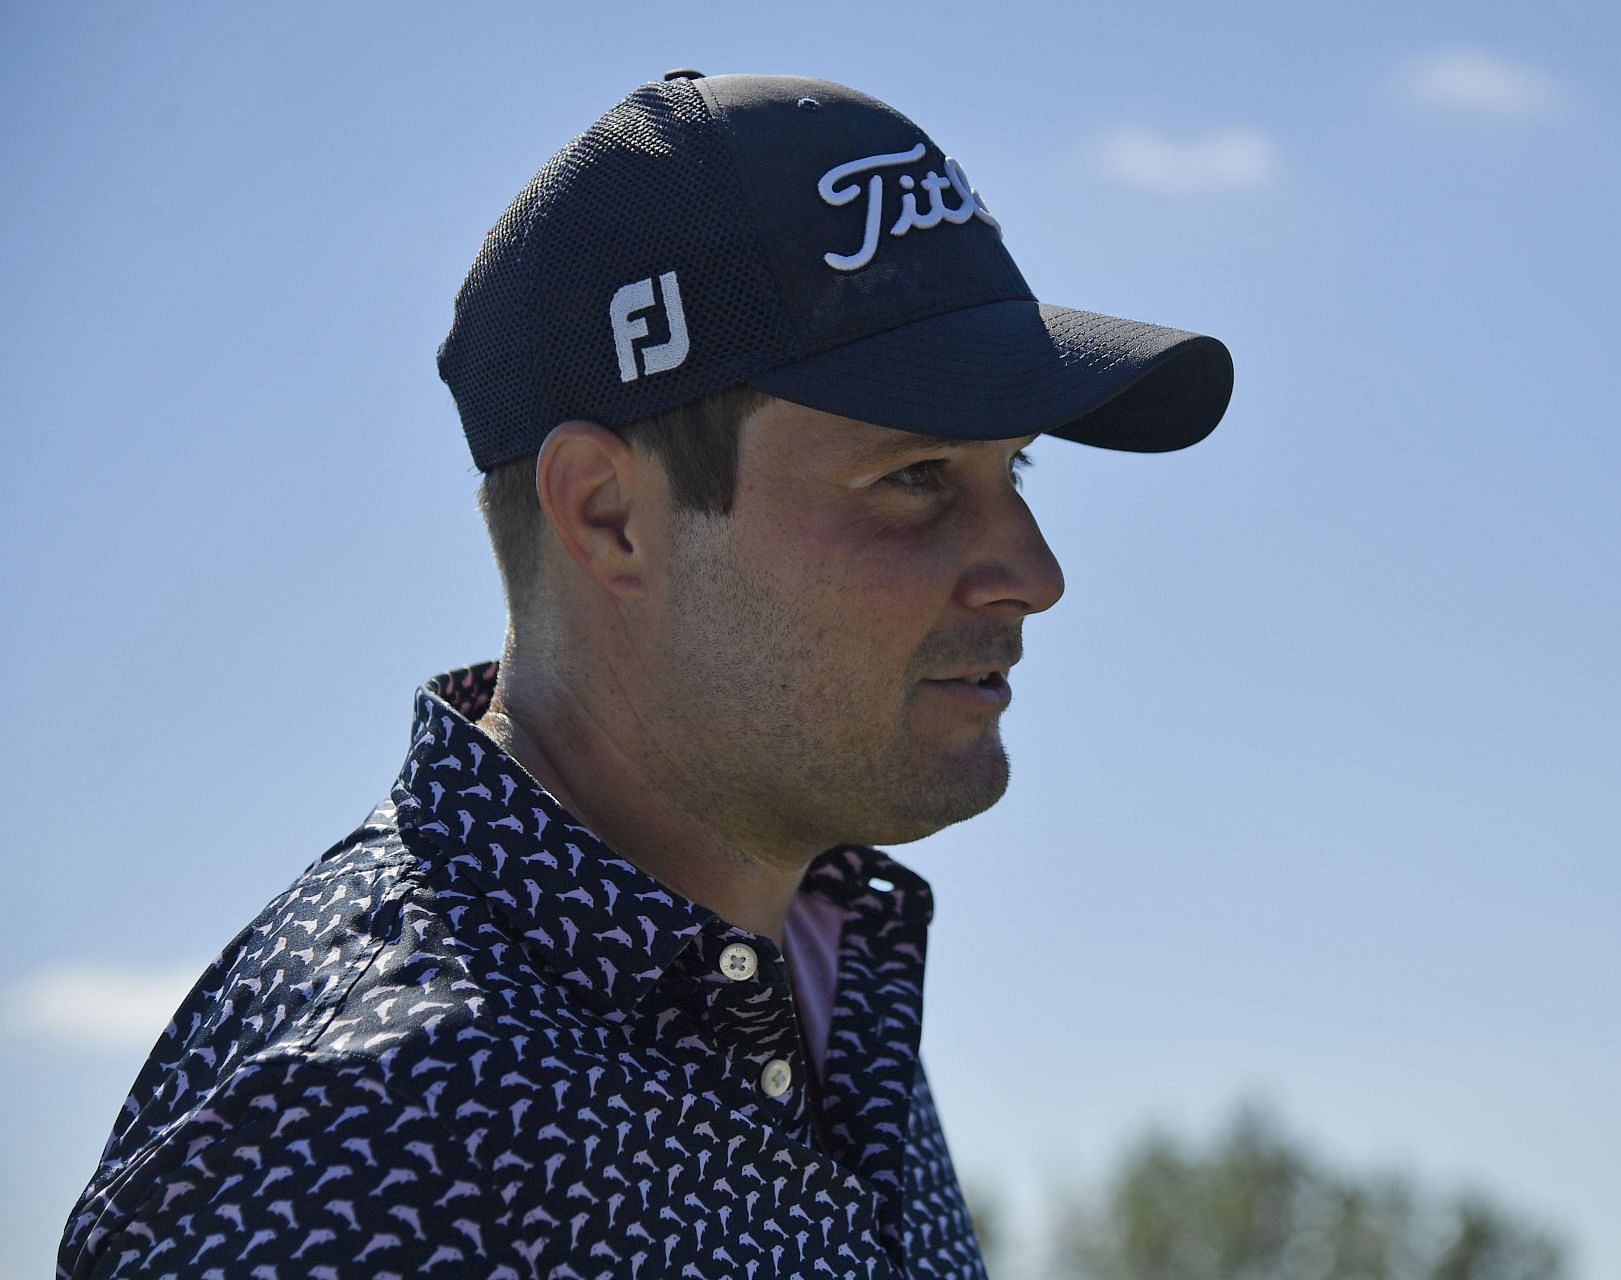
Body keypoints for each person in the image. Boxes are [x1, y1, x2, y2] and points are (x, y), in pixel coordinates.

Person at [57, 70, 1232, 1278]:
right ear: (610, 514)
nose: (1033, 572)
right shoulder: (349, 1133)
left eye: (1017, 473)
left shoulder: (813, 986)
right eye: (918, 477)